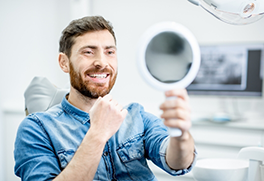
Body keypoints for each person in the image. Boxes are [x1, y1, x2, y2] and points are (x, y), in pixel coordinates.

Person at [14, 16, 196, 181]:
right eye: (88, 52)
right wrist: (97, 134)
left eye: (109, 52)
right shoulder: (36, 129)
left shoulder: (136, 116)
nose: (102, 62)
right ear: (64, 62)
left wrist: (180, 134)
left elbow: (178, 163)